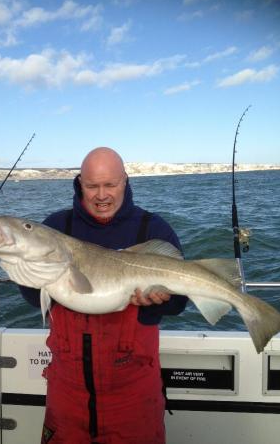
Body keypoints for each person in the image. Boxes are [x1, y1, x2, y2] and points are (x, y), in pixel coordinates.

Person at [19, 147, 188, 444]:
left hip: (133, 394)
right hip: (67, 393)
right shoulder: (58, 227)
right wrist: (25, 268)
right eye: (92, 186)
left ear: (125, 181)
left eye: (110, 185)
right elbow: (36, 299)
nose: (101, 195)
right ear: (79, 184)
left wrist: (160, 300)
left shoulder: (153, 229)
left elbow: (178, 304)